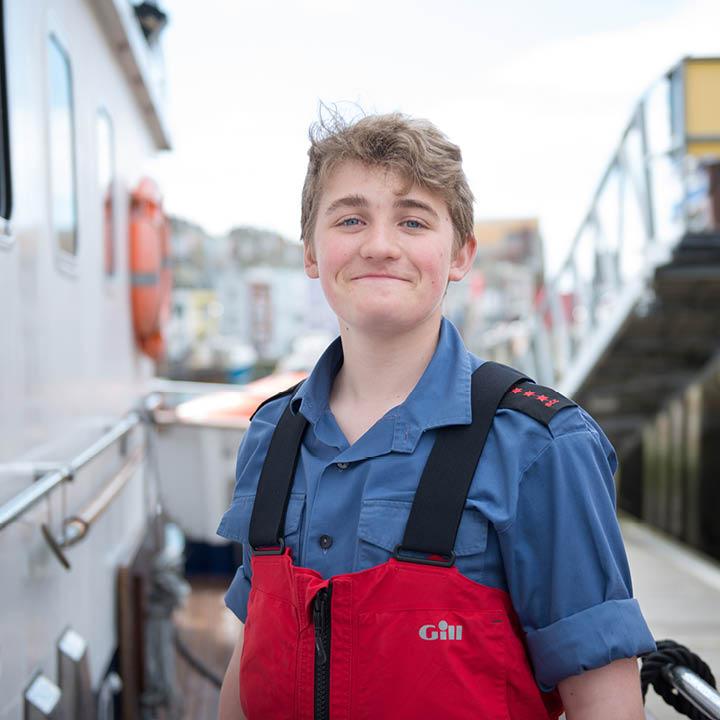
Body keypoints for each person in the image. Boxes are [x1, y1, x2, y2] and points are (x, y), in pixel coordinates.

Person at [217, 112, 655, 720]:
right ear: (312, 252)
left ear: (460, 255)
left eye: (413, 221)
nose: (379, 244)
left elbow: (605, 702)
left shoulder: (540, 448)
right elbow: (252, 653)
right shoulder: (271, 435)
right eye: (349, 218)